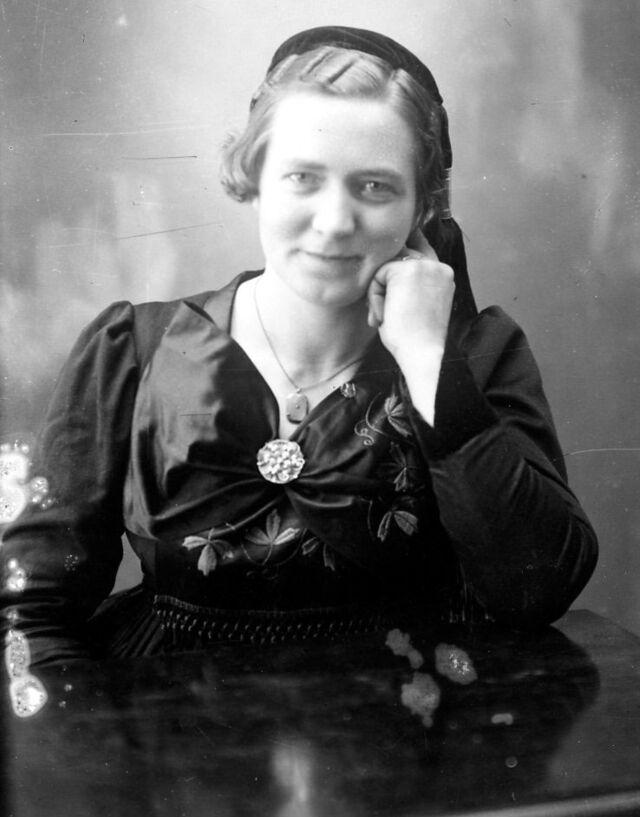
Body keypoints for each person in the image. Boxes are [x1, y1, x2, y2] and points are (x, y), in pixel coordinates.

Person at [0, 26, 597, 668]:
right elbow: (30, 615)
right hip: (168, 717)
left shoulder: (478, 353)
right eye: (302, 178)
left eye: (376, 187)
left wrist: (429, 361)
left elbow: (537, 590)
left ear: (423, 208)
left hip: (411, 710)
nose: (335, 222)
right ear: (253, 177)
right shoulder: (134, 351)